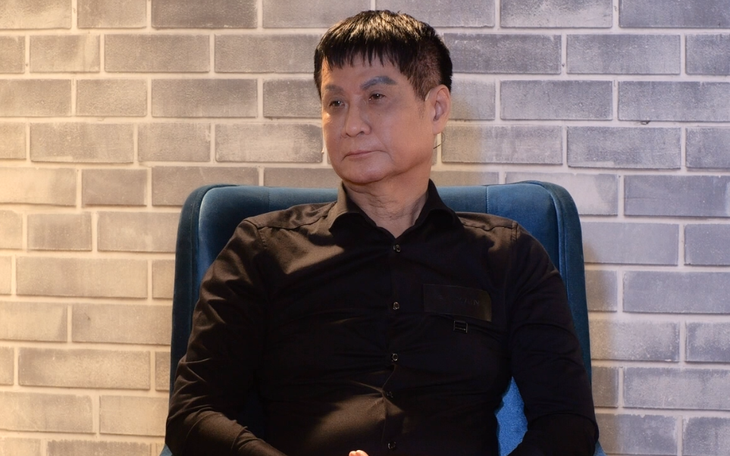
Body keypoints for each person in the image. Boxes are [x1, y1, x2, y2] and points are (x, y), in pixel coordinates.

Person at [166, 10, 598, 456]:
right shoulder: (261, 250)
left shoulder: (509, 256)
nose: (352, 124)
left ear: (436, 109)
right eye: (335, 103)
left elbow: (568, 423)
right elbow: (192, 415)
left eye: (375, 96)